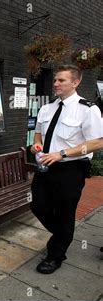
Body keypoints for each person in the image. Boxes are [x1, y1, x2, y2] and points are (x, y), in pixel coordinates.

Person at [30, 65, 102, 274]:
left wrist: (62, 154)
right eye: (55, 80)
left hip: (70, 169)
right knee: (38, 206)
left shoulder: (88, 109)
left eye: (61, 80)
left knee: (64, 212)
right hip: (45, 166)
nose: (56, 84)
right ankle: (63, 234)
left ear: (76, 82)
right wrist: (37, 146)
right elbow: (37, 135)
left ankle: (56, 255)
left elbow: (97, 143)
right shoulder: (47, 108)